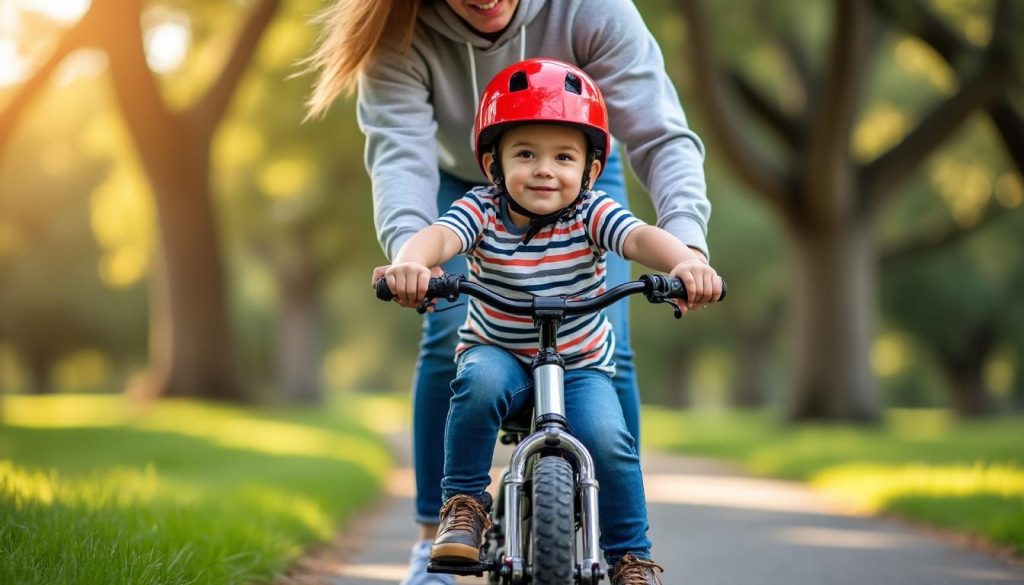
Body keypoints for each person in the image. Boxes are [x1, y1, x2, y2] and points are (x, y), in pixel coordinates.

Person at [305, 1, 712, 583]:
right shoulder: (397, 32)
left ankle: (626, 551)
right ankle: (446, 528)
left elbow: (655, 162)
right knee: (454, 340)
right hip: (468, 179)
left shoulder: (593, 19)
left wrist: (689, 255)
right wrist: (408, 261)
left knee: (610, 358)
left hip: (580, 164)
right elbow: (415, 186)